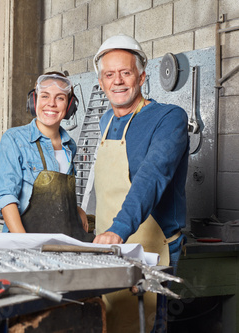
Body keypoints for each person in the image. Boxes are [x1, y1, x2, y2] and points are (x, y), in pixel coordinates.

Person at [92, 34, 189, 332]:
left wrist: (118, 230)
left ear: (142, 77)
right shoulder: (105, 120)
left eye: (126, 72)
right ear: (100, 82)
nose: (118, 81)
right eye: (110, 74)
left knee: (144, 324)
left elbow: (153, 176)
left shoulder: (169, 117)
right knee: (112, 321)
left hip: (150, 247)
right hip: (108, 246)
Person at [0, 72, 90, 241]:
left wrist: (75, 208)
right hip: (23, 238)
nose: (51, 104)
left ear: (69, 106)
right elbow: (6, 196)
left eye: (60, 98)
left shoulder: (69, 146)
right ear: (34, 101)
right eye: (45, 96)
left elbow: (57, 194)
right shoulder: (15, 139)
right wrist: (24, 243)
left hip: (60, 236)